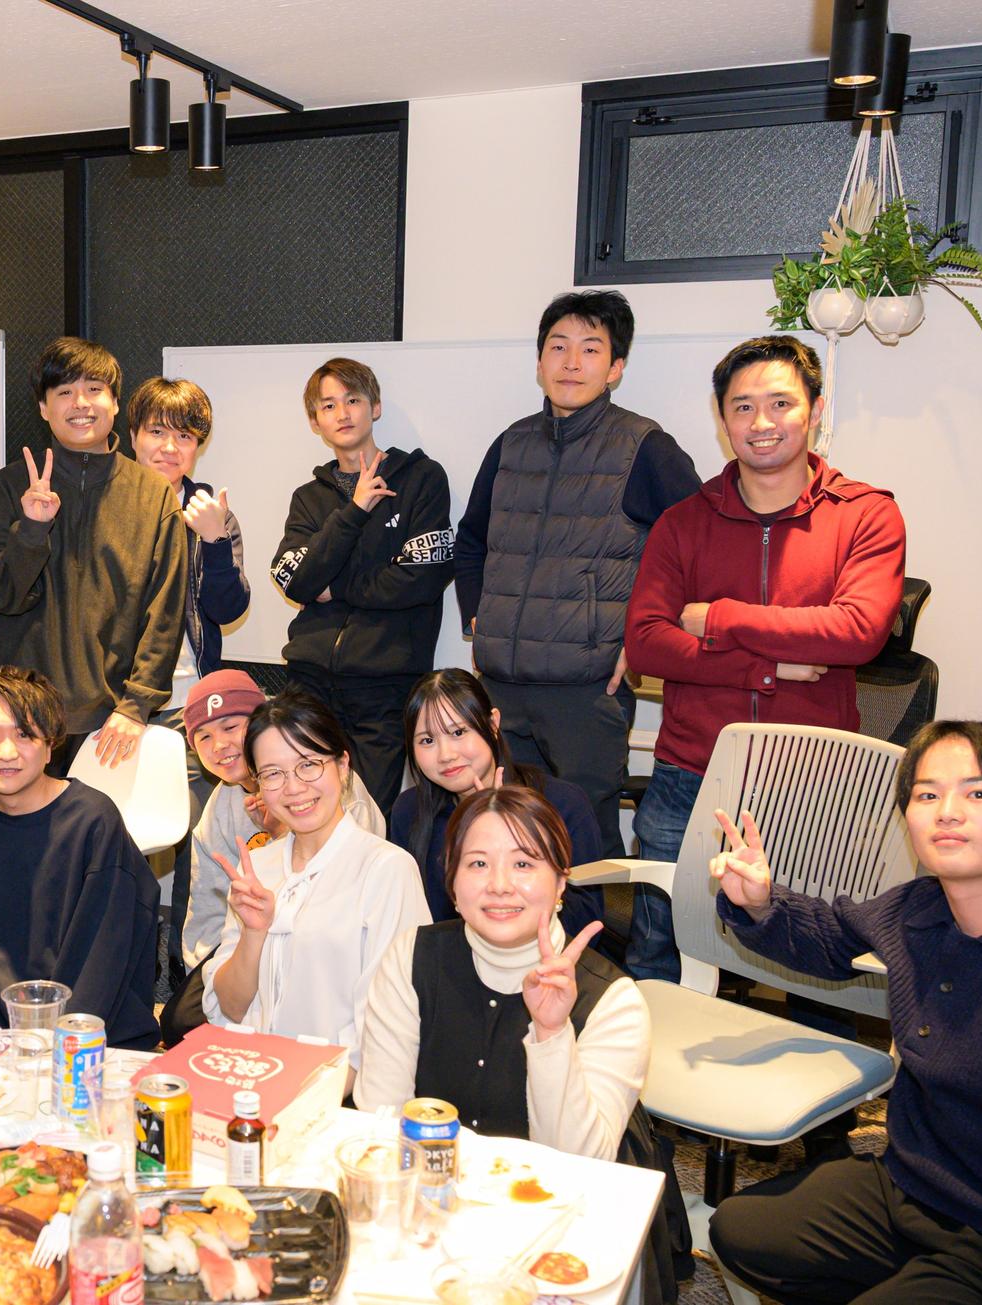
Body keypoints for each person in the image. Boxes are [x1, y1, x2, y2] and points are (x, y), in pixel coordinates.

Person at [707, 721, 982, 1305]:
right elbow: (830, 938)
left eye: (979, 792)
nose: (947, 812)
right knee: (741, 1231)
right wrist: (762, 903)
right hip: (914, 1189)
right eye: (926, 794)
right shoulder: (920, 907)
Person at [625, 334, 904, 981]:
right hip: (692, 775)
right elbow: (646, 642)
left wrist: (720, 618)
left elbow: (858, 630)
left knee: (820, 965)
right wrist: (763, 667)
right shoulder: (683, 522)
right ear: (723, 420)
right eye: (743, 407)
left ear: (816, 410)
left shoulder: (865, 514)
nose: (761, 422)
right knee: (659, 956)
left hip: (816, 782)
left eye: (781, 403)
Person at [451, 290, 701, 865]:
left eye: (590, 349)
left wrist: (645, 637)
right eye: (558, 347)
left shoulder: (645, 446)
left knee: (585, 843)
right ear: (539, 361)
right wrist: (478, 617)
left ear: (615, 368)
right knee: (506, 838)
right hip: (501, 687)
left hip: (588, 692)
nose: (571, 362)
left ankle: (591, 931)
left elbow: (697, 549)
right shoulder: (511, 443)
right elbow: (471, 541)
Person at [356, 786, 648, 1155]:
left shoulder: (613, 1002)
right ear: (452, 881)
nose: (499, 886)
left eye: (523, 864)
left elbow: (582, 1164)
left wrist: (552, 1033)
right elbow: (381, 1122)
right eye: (478, 864)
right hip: (431, 1182)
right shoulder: (410, 958)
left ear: (561, 882)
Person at [0, 337, 187, 771]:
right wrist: (32, 529)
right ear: (44, 408)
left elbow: (165, 610)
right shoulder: (10, 486)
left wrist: (136, 705)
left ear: (115, 402)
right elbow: (2, 596)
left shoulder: (153, 495)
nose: (80, 403)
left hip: (115, 724)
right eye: (64, 391)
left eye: (94, 389)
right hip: (22, 717)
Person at [0, 666, 160, 1049]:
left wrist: (59, 1042)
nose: (7, 752)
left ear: (50, 744)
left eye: (24, 734)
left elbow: (104, 960)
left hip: (89, 1037)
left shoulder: (93, 822)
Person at [201, 692, 431, 1067]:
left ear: (342, 765)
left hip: (339, 1088)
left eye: (308, 765)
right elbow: (229, 1007)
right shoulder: (256, 868)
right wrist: (254, 934)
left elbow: (392, 1026)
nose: (293, 788)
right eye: (273, 774)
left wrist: (310, 1091)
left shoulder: (387, 870)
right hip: (254, 1075)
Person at [270, 357, 453, 818]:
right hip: (308, 681)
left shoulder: (421, 479)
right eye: (328, 405)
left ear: (375, 406)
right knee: (303, 811)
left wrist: (336, 586)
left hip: (384, 686)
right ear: (315, 421)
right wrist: (353, 511)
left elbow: (421, 578)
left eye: (352, 400)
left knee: (369, 818)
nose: (343, 413)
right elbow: (296, 580)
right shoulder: (308, 499)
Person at [127, 377, 250, 985]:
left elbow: (229, 607)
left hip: (194, 708)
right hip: (122, 708)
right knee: (123, 850)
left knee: (202, 850)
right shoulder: (110, 504)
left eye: (185, 436)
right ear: (132, 436)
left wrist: (215, 541)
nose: (169, 447)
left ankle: (188, 978)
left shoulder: (211, 511)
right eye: (157, 432)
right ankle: (129, 972)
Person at [180, 669, 386, 972]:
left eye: (231, 727)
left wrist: (283, 834)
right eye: (204, 737)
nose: (219, 745)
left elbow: (345, 899)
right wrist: (205, 978)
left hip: (333, 956)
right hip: (249, 952)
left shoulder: (327, 787)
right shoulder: (218, 810)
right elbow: (207, 913)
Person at [389, 670, 604, 934]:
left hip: (542, 955)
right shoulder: (409, 811)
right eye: (427, 740)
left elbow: (585, 918)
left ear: (492, 724)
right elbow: (404, 917)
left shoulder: (562, 803)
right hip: (443, 957)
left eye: (458, 732)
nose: (445, 755)